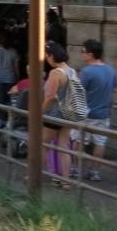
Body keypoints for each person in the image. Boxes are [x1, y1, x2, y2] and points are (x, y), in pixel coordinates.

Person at [72, 39, 117, 182]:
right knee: (100, 142)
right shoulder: (111, 70)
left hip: (85, 113)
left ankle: (76, 168)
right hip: (103, 114)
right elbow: (112, 94)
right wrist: (110, 109)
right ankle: (94, 171)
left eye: (83, 52)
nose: (82, 54)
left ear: (90, 55)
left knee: (78, 140)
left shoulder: (86, 72)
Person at [43, 41, 77, 190]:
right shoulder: (72, 71)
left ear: (52, 56)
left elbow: (50, 97)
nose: (46, 59)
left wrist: (40, 112)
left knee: (41, 145)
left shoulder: (55, 73)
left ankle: (33, 174)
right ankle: (65, 181)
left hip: (53, 114)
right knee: (64, 147)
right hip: (68, 115)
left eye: (46, 56)